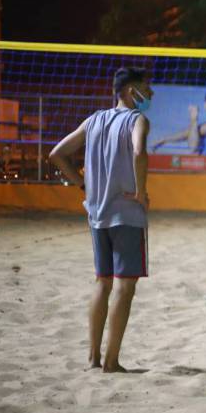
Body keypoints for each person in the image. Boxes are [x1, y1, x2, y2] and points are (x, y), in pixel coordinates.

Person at [49, 66, 153, 374]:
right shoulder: (138, 120)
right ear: (129, 91)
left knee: (102, 283)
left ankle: (93, 358)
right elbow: (139, 152)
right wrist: (141, 192)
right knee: (125, 286)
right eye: (145, 88)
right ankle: (111, 361)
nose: (150, 93)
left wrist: (81, 185)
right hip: (126, 214)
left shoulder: (93, 120)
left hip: (97, 214)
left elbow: (56, 154)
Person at [152, 88, 206, 155]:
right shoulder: (197, 127)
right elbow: (193, 147)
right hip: (204, 169)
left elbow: (191, 135)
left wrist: (193, 119)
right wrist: (164, 139)